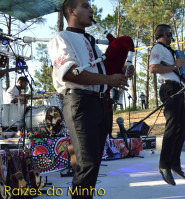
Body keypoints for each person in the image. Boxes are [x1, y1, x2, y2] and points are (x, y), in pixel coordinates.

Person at [48, 0, 131, 198]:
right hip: (80, 103)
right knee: (87, 164)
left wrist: (120, 73)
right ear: (71, 11)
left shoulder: (90, 40)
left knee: (92, 163)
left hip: (99, 103)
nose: (91, 9)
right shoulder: (61, 37)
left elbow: (98, 72)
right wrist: (108, 78)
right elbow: (69, 73)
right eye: (85, 5)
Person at [149, 24, 185, 186]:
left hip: (177, 87)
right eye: (170, 35)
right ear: (165, 34)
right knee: (172, 127)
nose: (172, 37)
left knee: (181, 128)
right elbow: (153, 68)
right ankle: (164, 165)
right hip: (169, 88)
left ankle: (174, 163)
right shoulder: (158, 48)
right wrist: (174, 66)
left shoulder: (168, 50)